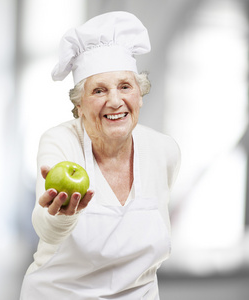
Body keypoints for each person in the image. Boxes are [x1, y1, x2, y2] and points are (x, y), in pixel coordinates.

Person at [20, 11, 181, 300]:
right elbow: (47, 229)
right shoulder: (60, 142)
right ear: (79, 106)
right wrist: (60, 214)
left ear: (140, 95)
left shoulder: (163, 151)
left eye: (125, 86)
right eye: (99, 90)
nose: (115, 101)